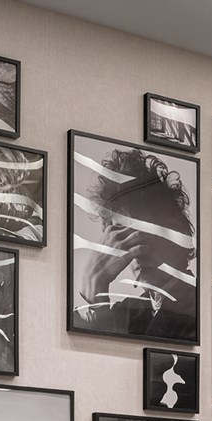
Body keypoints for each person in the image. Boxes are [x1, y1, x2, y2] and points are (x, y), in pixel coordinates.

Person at [76, 146, 197, 341]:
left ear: (179, 232)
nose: (133, 249)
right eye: (121, 235)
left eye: (142, 227)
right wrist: (94, 288)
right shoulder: (126, 314)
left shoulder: (201, 307)